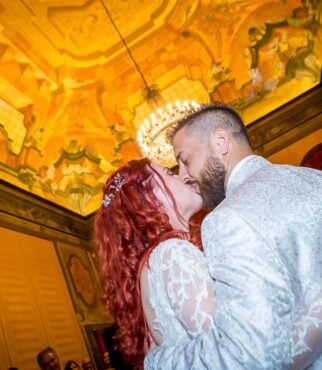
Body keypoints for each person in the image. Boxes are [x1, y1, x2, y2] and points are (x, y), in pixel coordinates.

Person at [144, 102, 322, 369]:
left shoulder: (226, 219)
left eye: (185, 160)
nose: (184, 176)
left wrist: (156, 360)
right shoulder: (314, 178)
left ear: (220, 142)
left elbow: (250, 355)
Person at [95, 158, 207, 367]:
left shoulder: (152, 264)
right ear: (151, 196)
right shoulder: (172, 254)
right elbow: (226, 350)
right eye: (169, 173)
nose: (183, 176)